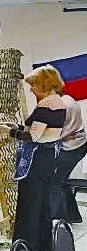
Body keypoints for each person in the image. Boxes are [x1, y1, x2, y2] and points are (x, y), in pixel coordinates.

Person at [0, 65, 66, 251]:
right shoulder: (58, 102)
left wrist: (9, 132)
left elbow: (33, 137)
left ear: (44, 84)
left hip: (37, 159)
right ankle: (43, 244)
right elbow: (43, 130)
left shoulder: (45, 106)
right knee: (43, 202)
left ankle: (25, 247)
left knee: (29, 202)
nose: (31, 90)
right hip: (48, 158)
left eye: (33, 85)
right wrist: (18, 126)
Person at [51, 91, 86, 222]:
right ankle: (73, 216)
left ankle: (58, 222)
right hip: (78, 144)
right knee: (61, 181)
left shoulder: (61, 106)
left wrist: (18, 132)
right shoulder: (67, 98)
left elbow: (51, 135)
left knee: (54, 183)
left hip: (72, 147)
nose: (32, 90)